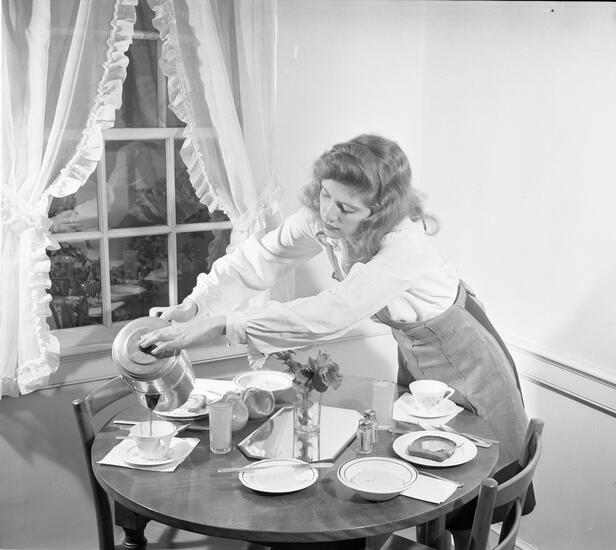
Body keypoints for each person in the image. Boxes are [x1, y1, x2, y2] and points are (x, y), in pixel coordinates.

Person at [139, 134, 533, 545]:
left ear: (380, 212)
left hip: (465, 351)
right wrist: (195, 307)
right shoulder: (324, 217)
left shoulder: (404, 244)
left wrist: (222, 325)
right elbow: (260, 259)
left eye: (346, 208)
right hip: (416, 347)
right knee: (426, 467)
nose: (328, 212)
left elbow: (336, 310)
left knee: (470, 485)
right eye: (326, 194)